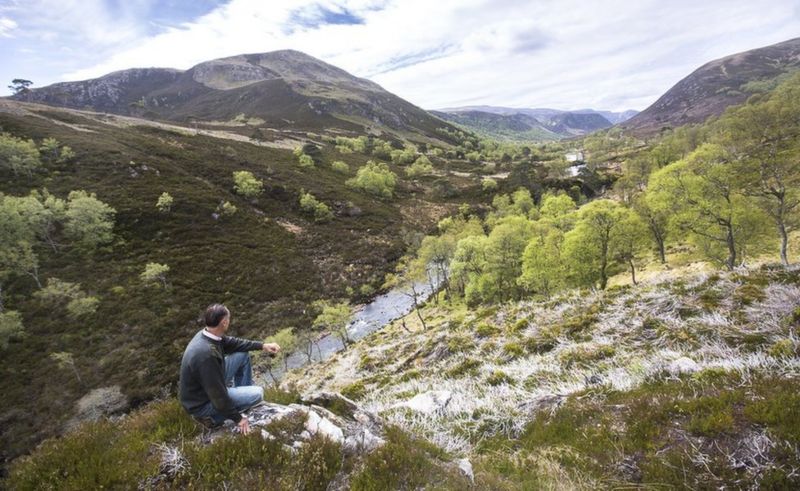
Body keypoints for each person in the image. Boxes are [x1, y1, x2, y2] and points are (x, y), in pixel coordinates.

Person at [179, 303, 280, 434]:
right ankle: (213, 418)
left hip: (209, 384)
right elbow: (217, 395)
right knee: (258, 393)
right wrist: (238, 419)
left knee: (242, 354)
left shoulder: (207, 335)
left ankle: (243, 395)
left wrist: (262, 346)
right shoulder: (206, 356)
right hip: (203, 403)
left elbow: (234, 343)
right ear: (224, 323)